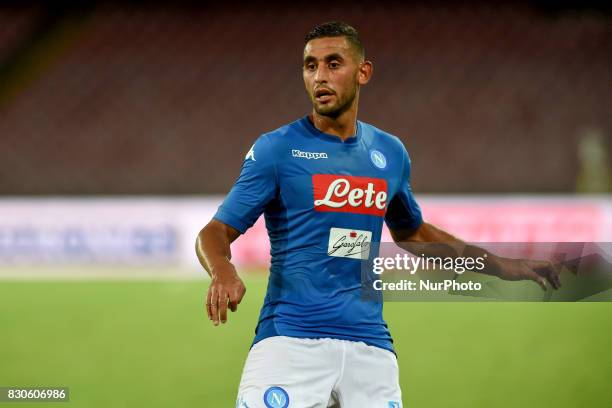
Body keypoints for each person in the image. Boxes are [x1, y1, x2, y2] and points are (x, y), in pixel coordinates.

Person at [195, 21, 561, 408]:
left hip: (370, 348)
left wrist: (502, 265)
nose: (320, 76)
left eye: (334, 64)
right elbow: (215, 232)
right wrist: (223, 271)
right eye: (310, 65)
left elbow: (413, 233)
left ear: (363, 72)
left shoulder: (390, 153)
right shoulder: (277, 150)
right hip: (289, 343)